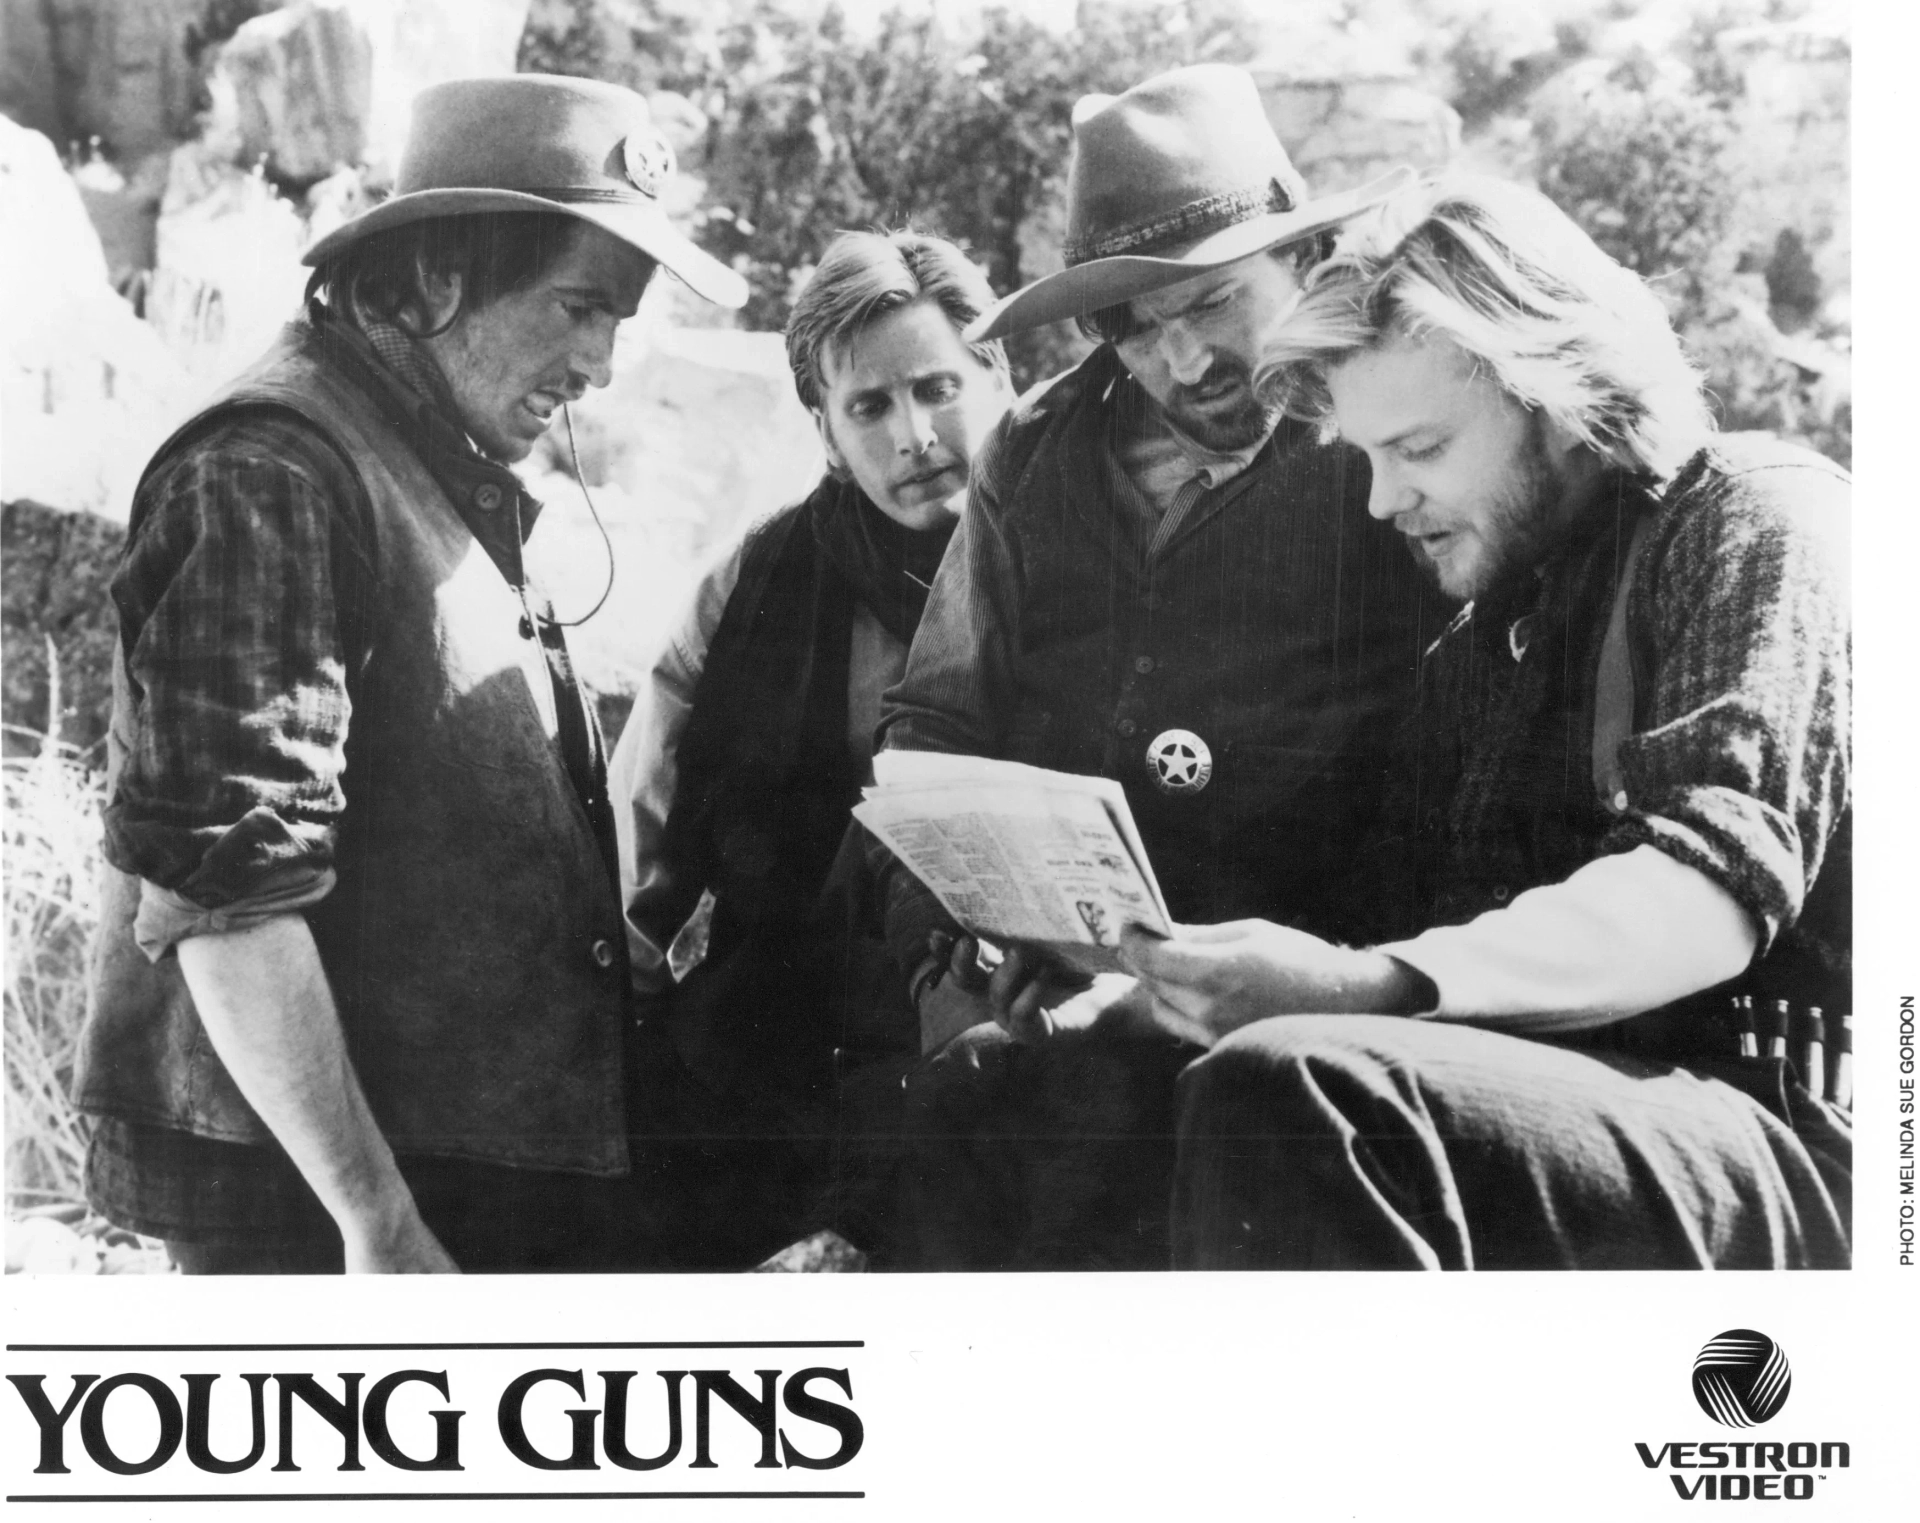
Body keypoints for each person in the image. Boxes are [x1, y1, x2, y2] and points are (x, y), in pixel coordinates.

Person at [74, 75, 749, 1273]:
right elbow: (229, 889)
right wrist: (374, 1220)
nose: (598, 364)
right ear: (437, 275)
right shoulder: (269, 470)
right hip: (324, 1201)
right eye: (579, 307)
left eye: (620, 321)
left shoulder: (425, 447)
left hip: (444, 1159)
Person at [1116, 173, 1851, 1269]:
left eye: (1416, 450)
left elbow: (1705, 892)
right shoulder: (1482, 641)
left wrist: (1370, 987)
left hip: (1781, 1131)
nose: (1380, 501)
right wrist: (1155, 985)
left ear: (1560, 401)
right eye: (1365, 457)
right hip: (1557, 1099)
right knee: (1040, 1082)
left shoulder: (1751, 516)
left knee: (1296, 1090)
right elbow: (1387, 923)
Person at [872, 65, 1446, 1267]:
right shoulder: (1034, 454)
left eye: (1216, 302)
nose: (1184, 361)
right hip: (1050, 1004)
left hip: (1308, 1015)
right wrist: (964, 953)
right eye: (1136, 326)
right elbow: (936, 721)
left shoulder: (1382, 437)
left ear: (1305, 263)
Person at [607, 230, 1011, 1266]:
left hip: (1017, 1035)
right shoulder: (763, 578)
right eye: (869, 407)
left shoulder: (1079, 551)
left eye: (936, 387)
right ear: (826, 430)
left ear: (999, 373)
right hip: (795, 1032)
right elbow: (644, 815)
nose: (913, 435)